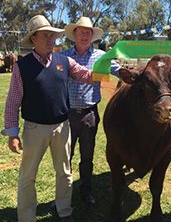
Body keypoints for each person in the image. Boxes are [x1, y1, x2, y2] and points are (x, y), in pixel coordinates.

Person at [1, 15, 95, 222]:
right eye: (46, 35)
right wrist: (12, 134)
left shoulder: (65, 61)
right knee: (28, 176)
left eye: (53, 35)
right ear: (34, 38)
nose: (52, 39)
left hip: (62, 127)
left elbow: (86, 75)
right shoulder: (22, 66)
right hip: (34, 129)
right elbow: (13, 102)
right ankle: (26, 217)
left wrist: (108, 70)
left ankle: (64, 210)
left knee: (64, 173)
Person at [61, 16, 119, 206]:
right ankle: (62, 195)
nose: (84, 35)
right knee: (64, 157)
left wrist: (142, 74)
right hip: (67, 115)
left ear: (92, 36)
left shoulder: (101, 57)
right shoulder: (64, 56)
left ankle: (86, 192)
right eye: (81, 32)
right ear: (74, 34)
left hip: (89, 115)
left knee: (87, 157)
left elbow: (119, 70)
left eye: (88, 33)